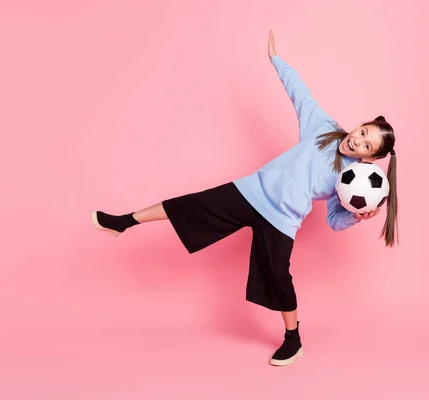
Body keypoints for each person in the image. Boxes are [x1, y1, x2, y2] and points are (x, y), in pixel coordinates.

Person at [90, 29, 398, 367]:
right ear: (360, 125)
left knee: (277, 276)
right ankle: (124, 221)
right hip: (251, 192)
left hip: (282, 219)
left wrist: (356, 216)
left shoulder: (350, 180)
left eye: (368, 146)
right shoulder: (324, 128)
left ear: (370, 159)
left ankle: (293, 339)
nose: (358, 141)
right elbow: (301, 96)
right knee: (192, 204)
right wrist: (278, 61)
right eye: (363, 132)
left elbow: (334, 221)